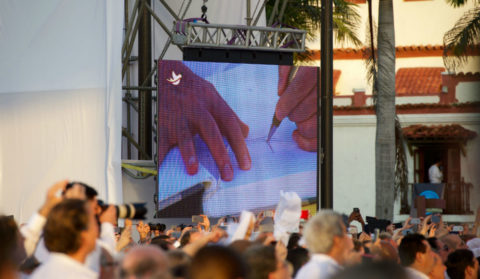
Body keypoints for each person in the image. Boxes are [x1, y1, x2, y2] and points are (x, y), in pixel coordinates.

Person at [31, 199, 99, 279]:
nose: (98, 229)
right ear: (83, 234)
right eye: (95, 222)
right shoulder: (84, 276)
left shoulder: (38, 274)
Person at [295, 210, 353, 279]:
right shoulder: (334, 273)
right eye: (346, 232)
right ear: (337, 240)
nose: (350, 239)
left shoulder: (305, 270)